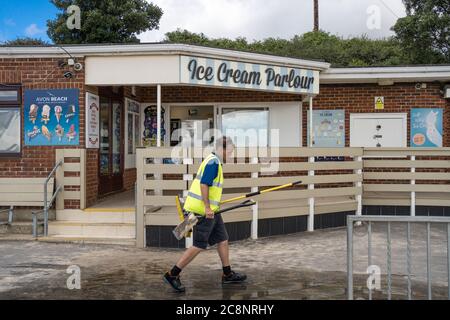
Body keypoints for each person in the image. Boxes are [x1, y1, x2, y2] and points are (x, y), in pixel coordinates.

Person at [163, 136, 247, 292]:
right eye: (229, 152)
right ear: (222, 149)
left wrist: (212, 206)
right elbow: (204, 184)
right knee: (198, 245)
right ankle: (172, 274)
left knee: (222, 239)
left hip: (211, 211)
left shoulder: (213, 160)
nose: (230, 155)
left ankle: (227, 274)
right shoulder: (213, 162)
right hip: (202, 211)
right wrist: (208, 207)